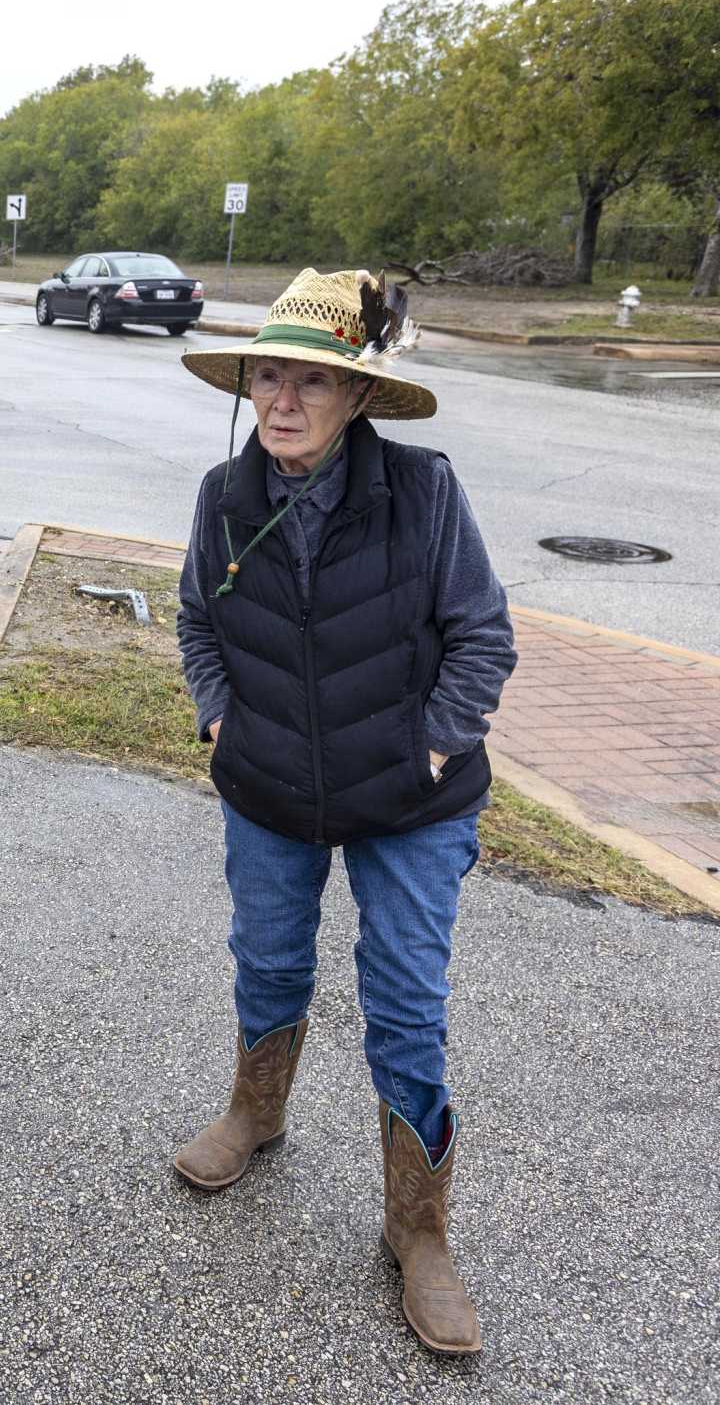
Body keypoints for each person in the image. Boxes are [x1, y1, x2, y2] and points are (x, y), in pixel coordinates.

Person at [171, 269, 518, 1356]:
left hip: (409, 800)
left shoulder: (420, 493)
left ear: (356, 394)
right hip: (267, 783)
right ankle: (256, 1111)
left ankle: (417, 1231)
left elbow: (481, 636)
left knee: (406, 1000)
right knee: (266, 959)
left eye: (310, 381)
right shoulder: (222, 497)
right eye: (267, 375)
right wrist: (221, 722)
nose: (281, 401)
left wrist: (424, 744)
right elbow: (194, 623)